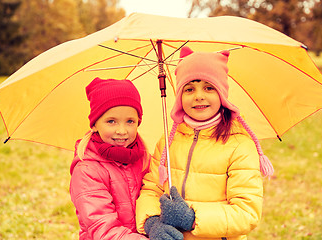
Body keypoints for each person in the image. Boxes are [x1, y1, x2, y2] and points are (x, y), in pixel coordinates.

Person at [135, 46, 274, 240]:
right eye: (189, 89)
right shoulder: (168, 142)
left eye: (209, 87)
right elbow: (151, 188)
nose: (198, 95)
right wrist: (152, 222)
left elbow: (246, 213)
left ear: (222, 95)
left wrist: (191, 218)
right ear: (179, 97)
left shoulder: (239, 146)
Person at [70, 77, 150, 240]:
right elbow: (102, 227)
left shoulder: (145, 159)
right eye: (111, 121)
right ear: (94, 124)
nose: (122, 130)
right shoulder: (87, 171)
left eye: (130, 121)